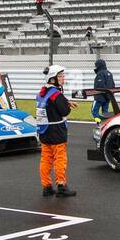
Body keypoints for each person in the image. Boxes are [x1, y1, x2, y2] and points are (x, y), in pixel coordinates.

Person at [36, 65, 74, 197]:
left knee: (46, 159)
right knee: (60, 159)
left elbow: (52, 105)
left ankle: (46, 186)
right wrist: (68, 106)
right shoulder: (57, 94)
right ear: (53, 79)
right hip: (57, 132)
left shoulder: (42, 92)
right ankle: (61, 186)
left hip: (44, 131)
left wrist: (66, 102)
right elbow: (64, 110)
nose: (63, 78)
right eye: (61, 76)